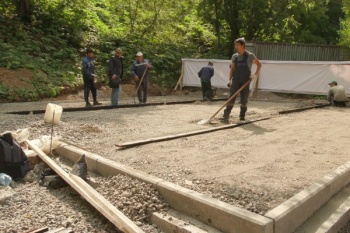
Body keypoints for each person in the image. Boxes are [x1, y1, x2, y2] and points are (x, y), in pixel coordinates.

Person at [220, 38, 262, 122]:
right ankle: (226, 115)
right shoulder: (234, 56)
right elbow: (232, 69)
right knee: (231, 97)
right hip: (236, 79)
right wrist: (229, 80)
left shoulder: (250, 55)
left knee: (244, 99)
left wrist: (255, 74)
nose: (236, 47)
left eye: (238, 45)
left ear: (243, 45)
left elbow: (259, 64)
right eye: (235, 45)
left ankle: (242, 117)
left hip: (246, 80)